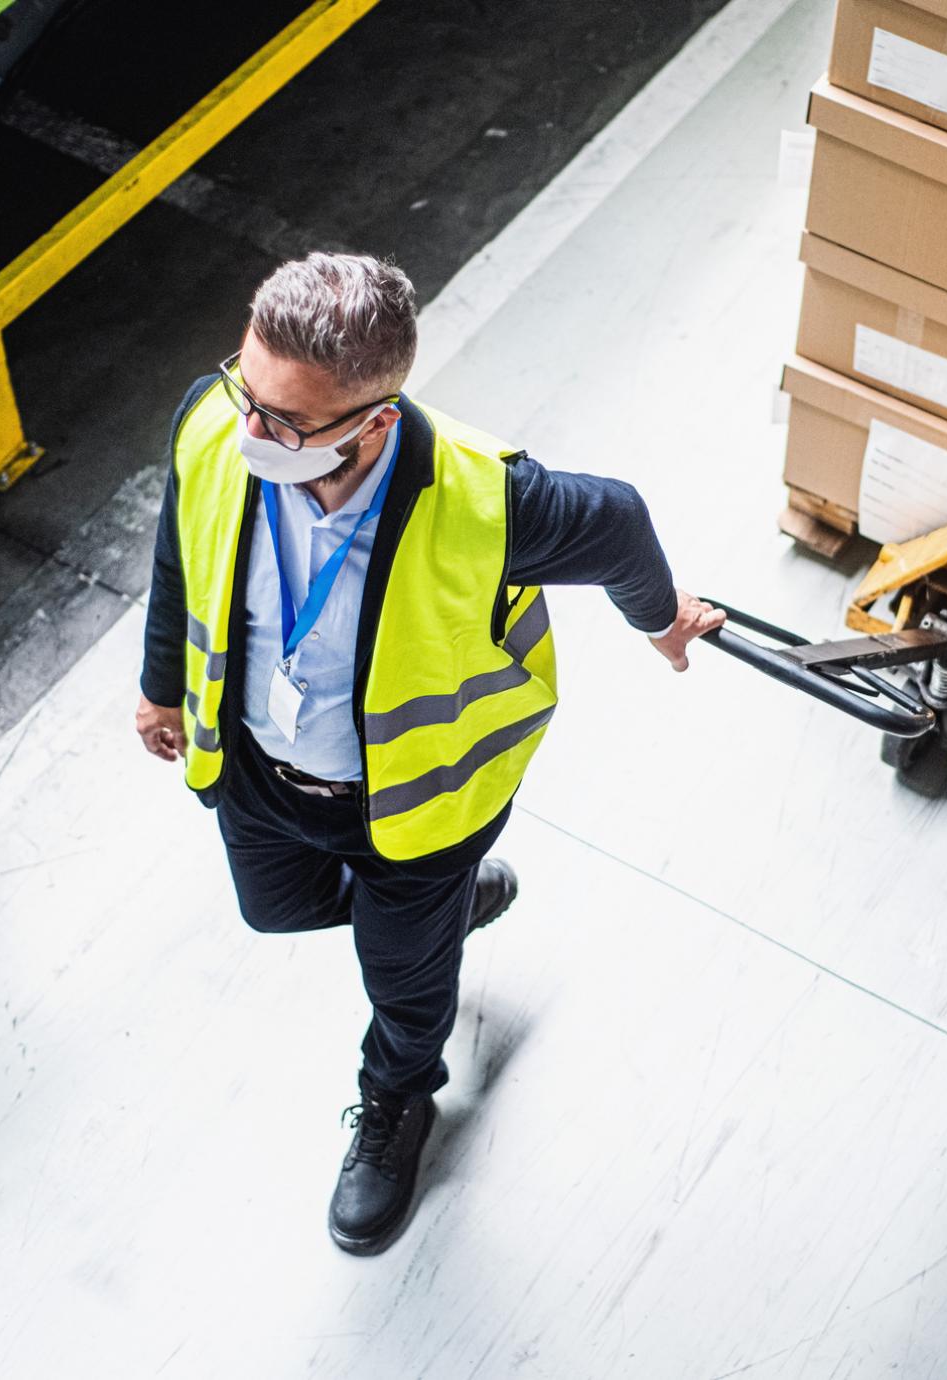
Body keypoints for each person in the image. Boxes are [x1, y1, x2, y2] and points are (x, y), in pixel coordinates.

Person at [133, 251, 724, 1255]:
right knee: (272, 911)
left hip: (416, 809)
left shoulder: (489, 504)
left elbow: (619, 522)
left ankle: (398, 1100)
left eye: (286, 421)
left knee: (404, 987)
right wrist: (158, 682)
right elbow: (178, 545)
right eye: (248, 389)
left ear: (374, 420)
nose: (251, 431)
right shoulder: (215, 423)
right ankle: (445, 910)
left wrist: (661, 621)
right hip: (262, 774)